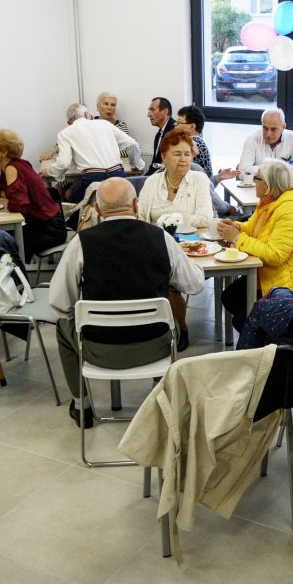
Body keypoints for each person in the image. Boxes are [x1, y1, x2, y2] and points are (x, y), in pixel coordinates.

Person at [50, 177, 204, 428]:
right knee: (167, 322)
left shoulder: (82, 243)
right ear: (135, 204)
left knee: (62, 326)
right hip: (156, 346)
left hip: (98, 349)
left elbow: (59, 303)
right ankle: (159, 401)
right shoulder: (161, 238)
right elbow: (195, 284)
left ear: (97, 210)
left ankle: (82, 407)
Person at [217, 159, 293, 331]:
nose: (254, 181)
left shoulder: (291, 209)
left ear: (268, 186)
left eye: (257, 178)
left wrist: (237, 238)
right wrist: (237, 227)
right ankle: (265, 338)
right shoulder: (270, 201)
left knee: (242, 320)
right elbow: (256, 229)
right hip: (274, 276)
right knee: (229, 296)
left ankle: (273, 347)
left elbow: (275, 255)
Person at [138, 129, 214, 350]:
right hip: (155, 246)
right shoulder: (152, 182)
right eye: (177, 154)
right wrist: (165, 226)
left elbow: (205, 218)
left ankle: (181, 328)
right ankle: (151, 327)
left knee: (167, 277)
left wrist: (170, 221)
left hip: (191, 247)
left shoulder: (198, 179)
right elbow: (140, 216)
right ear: (164, 157)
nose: (184, 159)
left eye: (188, 154)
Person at [0, 128, 67, 263]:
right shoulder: (11, 167)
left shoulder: (13, 168)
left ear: (4, 152)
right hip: (42, 225)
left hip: (50, 230)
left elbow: (17, 206)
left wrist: (8, 199)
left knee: (3, 243)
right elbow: (0, 194)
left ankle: (18, 281)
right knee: (0, 238)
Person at [40, 103, 144, 203]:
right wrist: (136, 165)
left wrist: (49, 171)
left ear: (68, 122)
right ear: (86, 114)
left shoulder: (65, 133)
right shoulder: (105, 123)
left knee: (69, 195)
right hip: (117, 174)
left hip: (93, 178)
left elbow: (64, 163)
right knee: (124, 201)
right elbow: (132, 144)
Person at [237, 108, 293, 179]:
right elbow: (242, 172)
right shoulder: (252, 139)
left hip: (286, 189)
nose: (268, 134)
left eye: (273, 129)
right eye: (265, 128)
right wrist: (281, 171)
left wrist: (262, 171)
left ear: (283, 127)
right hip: (259, 187)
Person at [175, 104, 212, 177]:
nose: (175, 124)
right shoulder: (197, 141)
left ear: (192, 126)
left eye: (179, 122)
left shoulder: (194, 143)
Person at [146, 97, 175, 174]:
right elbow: (155, 164)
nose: (148, 115)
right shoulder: (159, 134)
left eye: (152, 110)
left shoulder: (175, 133)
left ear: (164, 111)